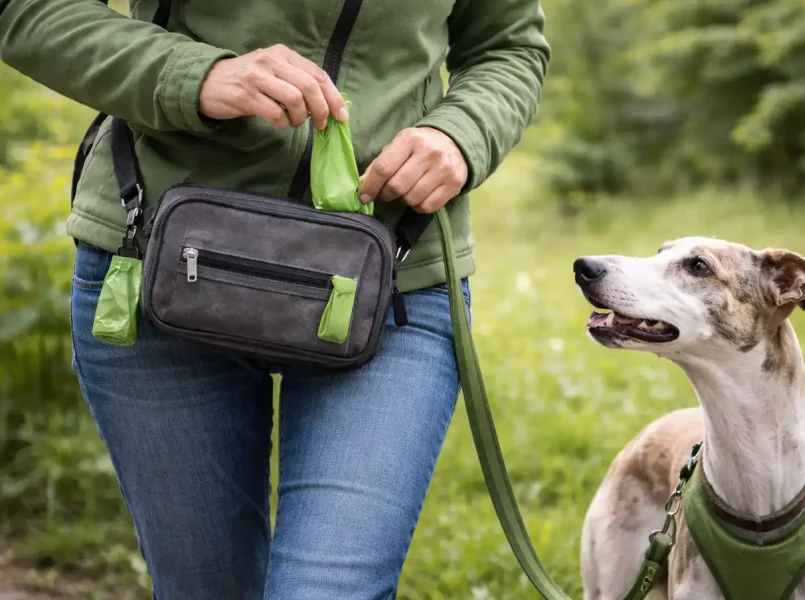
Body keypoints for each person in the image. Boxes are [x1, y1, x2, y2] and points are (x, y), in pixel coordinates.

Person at [0, 0, 549, 597]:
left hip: (391, 279)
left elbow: (507, 46)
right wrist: (195, 75)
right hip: (161, 260)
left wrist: (461, 133)